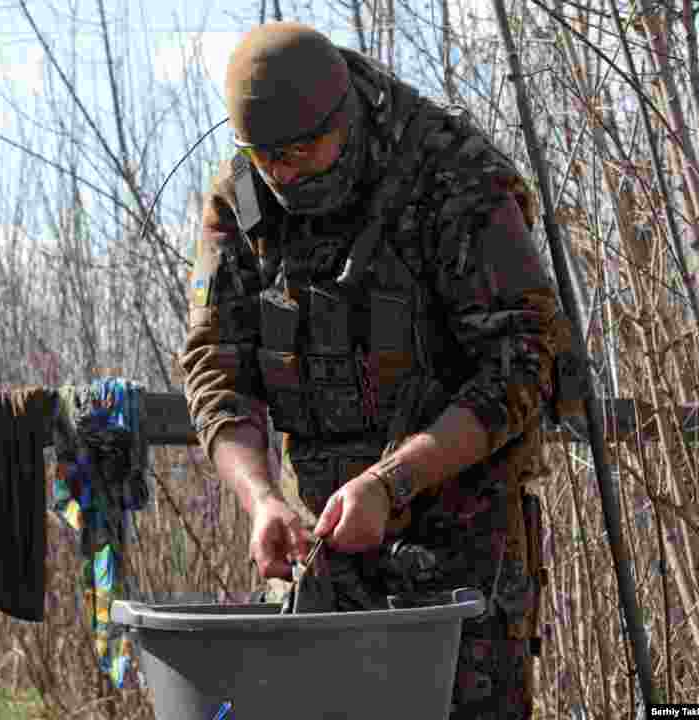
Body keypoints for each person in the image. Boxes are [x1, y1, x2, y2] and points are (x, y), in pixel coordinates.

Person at [180, 21, 572, 719]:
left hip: (461, 541)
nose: (284, 173)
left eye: (302, 152)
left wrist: (393, 482)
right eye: (267, 157)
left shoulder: (453, 174)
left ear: (348, 119)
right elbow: (216, 366)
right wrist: (261, 499)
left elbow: (522, 361)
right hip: (321, 542)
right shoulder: (241, 200)